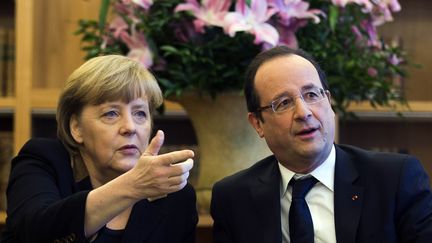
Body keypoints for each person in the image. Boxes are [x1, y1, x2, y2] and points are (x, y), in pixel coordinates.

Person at [210, 46, 432, 243]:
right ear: (258, 123)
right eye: (284, 103)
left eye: (312, 94)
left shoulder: (394, 179)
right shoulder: (233, 198)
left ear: (329, 101)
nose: (304, 112)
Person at [0, 55, 198, 243]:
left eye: (140, 113)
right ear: (76, 128)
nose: (129, 127)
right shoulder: (43, 161)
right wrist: (133, 186)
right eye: (111, 113)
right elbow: (35, 233)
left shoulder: (175, 196)